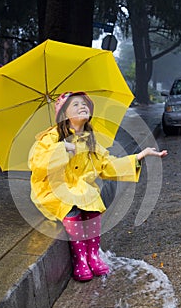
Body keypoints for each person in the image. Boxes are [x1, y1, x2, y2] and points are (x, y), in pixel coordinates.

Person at [28, 92, 167, 282]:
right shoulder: (51, 138)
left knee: (93, 205)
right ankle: (81, 259)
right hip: (55, 189)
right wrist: (63, 148)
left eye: (85, 104)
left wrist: (139, 156)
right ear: (64, 114)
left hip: (81, 188)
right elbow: (37, 163)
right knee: (72, 211)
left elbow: (107, 164)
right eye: (75, 105)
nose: (82, 107)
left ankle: (93, 255)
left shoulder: (89, 140)